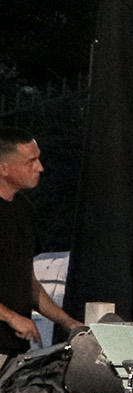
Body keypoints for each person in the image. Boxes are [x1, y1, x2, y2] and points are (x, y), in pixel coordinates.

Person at [0, 128, 85, 355]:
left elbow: (28, 283)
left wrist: (66, 321)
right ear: (3, 168)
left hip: (15, 348)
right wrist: (12, 318)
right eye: (31, 161)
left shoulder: (24, 210)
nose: (40, 167)